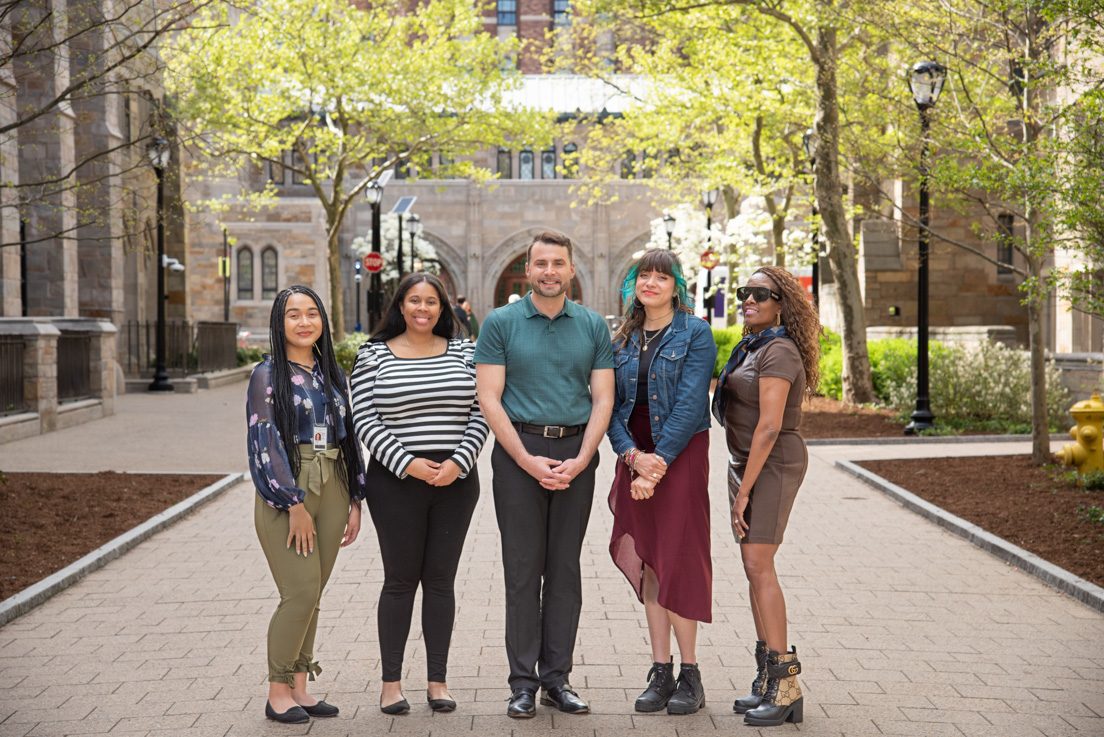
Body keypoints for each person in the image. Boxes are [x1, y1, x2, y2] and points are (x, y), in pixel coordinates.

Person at [474, 231, 615, 719]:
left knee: (564, 572)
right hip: (519, 452)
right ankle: (522, 684)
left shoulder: (594, 326)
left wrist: (583, 456)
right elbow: (489, 398)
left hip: (577, 452)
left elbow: (603, 398)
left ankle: (557, 679)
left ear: (571, 270)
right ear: (529, 269)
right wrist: (525, 459)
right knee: (521, 570)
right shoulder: (501, 323)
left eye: (558, 262)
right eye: (540, 263)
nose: (549, 270)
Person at [349, 274, 489, 715]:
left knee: (441, 581)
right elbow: (363, 418)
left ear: (443, 308)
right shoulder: (373, 354)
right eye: (414, 301)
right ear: (401, 306)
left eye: (431, 301)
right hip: (395, 483)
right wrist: (405, 462)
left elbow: (483, 410)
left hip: (455, 483)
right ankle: (392, 685)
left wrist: (459, 463)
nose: (422, 308)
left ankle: (437, 682)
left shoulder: (466, 351)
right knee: (400, 580)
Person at [246, 285, 366, 724]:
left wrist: (356, 497)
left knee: (314, 594)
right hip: (290, 490)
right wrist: (292, 503)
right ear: (279, 324)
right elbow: (265, 441)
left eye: (311, 313)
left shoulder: (331, 372)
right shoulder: (267, 374)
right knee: (298, 593)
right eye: (292, 314)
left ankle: (300, 687)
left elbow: (347, 436)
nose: (303, 321)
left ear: (322, 321)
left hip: (333, 484)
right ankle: (277, 691)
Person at [606, 249, 716, 715]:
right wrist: (632, 456)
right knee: (651, 560)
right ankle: (661, 670)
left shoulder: (695, 332)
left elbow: (692, 405)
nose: (650, 282)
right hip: (635, 456)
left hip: (681, 455)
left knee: (680, 559)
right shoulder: (621, 339)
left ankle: (691, 675)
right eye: (642, 276)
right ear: (633, 285)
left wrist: (657, 465)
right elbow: (608, 406)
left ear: (677, 286)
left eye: (660, 276)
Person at [711, 265, 821, 727]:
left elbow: (771, 426)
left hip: (771, 463)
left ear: (782, 303)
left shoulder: (778, 351)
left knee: (759, 564)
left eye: (761, 293)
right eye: (744, 292)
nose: (748, 299)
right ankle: (767, 680)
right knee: (752, 565)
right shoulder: (753, 344)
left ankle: (787, 685)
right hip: (750, 463)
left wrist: (744, 492)